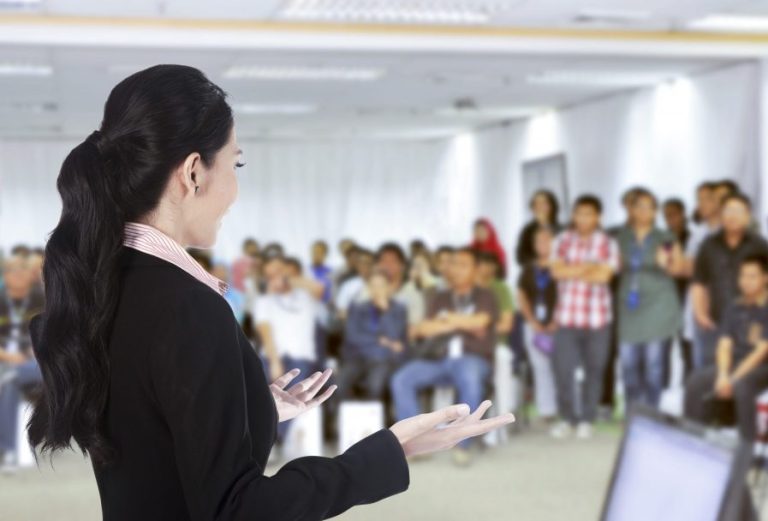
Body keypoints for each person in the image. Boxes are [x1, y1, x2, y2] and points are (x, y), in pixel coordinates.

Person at [26, 65, 514, 521]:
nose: (236, 189)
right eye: (235, 164)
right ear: (194, 172)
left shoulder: (109, 285)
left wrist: (252, 408)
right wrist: (388, 451)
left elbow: (155, 432)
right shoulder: (188, 308)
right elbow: (237, 509)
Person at [390, 247, 500, 467]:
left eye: (463, 265)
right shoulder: (440, 297)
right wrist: (461, 322)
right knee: (402, 378)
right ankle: (413, 441)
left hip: (473, 358)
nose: (456, 269)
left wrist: (448, 321)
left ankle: (463, 445)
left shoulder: (486, 296)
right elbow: (423, 329)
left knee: (468, 375)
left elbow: (480, 322)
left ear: (475, 270)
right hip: (439, 359)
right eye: (454, 264)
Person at [549, 195, 620, 439]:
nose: (583, 219)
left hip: (598, 319)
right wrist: (589, 266)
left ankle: (587, 419)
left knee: (595, 370)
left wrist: (574, 269)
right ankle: (568, 418)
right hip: (567, 319)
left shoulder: (607, 243)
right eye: (579, 213)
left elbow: (604, 277)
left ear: (598, 217)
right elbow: (557, 272)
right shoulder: (562, 241)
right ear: (573, 215)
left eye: (589, 214)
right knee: (562, 370)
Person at [684, 254, 768, 440]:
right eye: (742, 276)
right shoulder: (734, 307)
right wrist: (723, 375)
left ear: (765, 278)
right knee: (696, 381)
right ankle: (693, 439)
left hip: (762, 366)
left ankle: (747, 449)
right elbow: (724, 344)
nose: (746, 281)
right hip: (735, 362)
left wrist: (732, 379)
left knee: (743, 386)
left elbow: (760, 352)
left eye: (752, 276)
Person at [614, 189, 683, 410]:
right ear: (631, 210)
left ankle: (651, 411)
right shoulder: (621, 237)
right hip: (629, 305)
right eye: (639, 206)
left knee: (654, 365)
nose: (644, 211)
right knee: (628, 363)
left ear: (656, 211)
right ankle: (632, 411)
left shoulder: (665, 237)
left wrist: (668, 262)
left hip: (658, 304)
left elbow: (678, 267)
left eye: (650, 207)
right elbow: (611, 265)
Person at [690, 193, 768, 368]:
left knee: (746, 375)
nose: (732, 215)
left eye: (738, 210)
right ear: (720, 214)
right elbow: (698, 282)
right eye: (728, 210)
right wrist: (700, 314)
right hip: (715, 322)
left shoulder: (759, 245)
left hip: (751, 324)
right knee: (712, 373)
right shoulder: (708, 244)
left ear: (748, 216)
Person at [0, 253, 45, 472]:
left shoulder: (42, 299)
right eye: (12, 272)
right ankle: (8, 449)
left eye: (22, 271)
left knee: (11, 379)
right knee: (8, 379)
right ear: (5, 276)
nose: (17, 276)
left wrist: (34, 353)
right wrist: (8, 357)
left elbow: (52, 337)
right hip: (5, 361)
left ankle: (7, 450)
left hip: (38, 363)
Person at [336, 269, 408, 403]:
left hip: (383, 358)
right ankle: (340, 421)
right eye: (373, 286)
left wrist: (386, 310)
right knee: (338, 385)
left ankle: (374, 422)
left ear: (388, 287)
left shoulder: (399, 310)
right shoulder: (358, 308)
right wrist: (379, 340)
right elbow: (353, 336)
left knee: (375, 387)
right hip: (357, 356)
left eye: (380, 286)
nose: (376, 290)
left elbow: (395, 336)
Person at [517, 226, 559, 421]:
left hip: (559, 325)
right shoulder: (528, 269)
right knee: (540, 367)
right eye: (539, 241)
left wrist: (557, 319)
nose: (543, 244)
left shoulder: (562, 265)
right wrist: (532, 321)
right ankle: (547, 410)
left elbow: (568, 293)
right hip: (533, 326)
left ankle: (565, 407)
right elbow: (522, 296)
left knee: (561, 366)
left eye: (547, 240)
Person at [376, 243, 426, 340]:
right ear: (378, 265)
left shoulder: (413, 295)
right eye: (384, 261)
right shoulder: (367, 292)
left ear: (402, 265)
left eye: (393, 261)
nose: (388, 265)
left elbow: (414, 330)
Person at [515, 190, 561, 267]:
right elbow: (521, 257)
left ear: (552, 206)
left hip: (560, 272)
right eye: (535, 204)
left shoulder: (562, 229)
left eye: (543, 203)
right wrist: (540, 262)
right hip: (535, 273)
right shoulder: (527, 230)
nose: (539, 207)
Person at [476, 252, 514, 341]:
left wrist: (480, 329)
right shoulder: (467, 286)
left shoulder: (500, 288)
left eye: (488, 264)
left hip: (496, 343)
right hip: (467, 344)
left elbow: (506, 326)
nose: (485, 267)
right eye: (481, 264)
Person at [335, 247, 375, 320]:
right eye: (362, 263)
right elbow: (341, 311)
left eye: (369, 263)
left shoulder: (382, 284)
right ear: (358, 265)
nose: (365, 266)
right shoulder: (347, 286)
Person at [310, 239, 334, 305]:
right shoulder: (304, 270)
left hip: (324, 307)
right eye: (314, 252)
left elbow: (331, 293)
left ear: (325, 254)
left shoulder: (331, 272)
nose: (316, 255)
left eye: (319, 252)